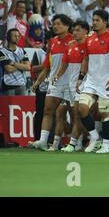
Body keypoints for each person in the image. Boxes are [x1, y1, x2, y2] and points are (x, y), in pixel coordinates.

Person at [76, 9, 109, 153]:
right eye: (93, 20)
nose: (94, 23)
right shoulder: (89, 38)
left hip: (106, 81)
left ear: (105, 22)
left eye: (97, 20)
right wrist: (80, 78)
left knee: (104, 113)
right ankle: (94, 136)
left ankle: (106, 145)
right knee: (82, 108)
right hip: (91, 81)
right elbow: (86, 59)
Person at [29, 14, 73, 150]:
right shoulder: (52, 42)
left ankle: (75, 142)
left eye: (59, 24)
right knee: (48, 111)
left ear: (67, 26)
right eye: (54, 24)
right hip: (55, 82)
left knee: (73, 114)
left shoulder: (74, 40)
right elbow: (47, 66)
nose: (56, 26)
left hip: (71, 82)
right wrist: (38, 81)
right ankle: (42, 141)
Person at [53, 20, 89, 152]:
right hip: (70, 85)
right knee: (74, 115)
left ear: (86, 31)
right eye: (74, 30)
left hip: (83, 84)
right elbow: (65, 63)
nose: (75, 33)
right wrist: (57, 75)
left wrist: (82, 79)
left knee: (79, 114)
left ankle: (75, 142)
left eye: (78, 30)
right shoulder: (70, 46)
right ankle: (82, 140)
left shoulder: (88, 45)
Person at [0, 28, 30, 95]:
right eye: (15, 36)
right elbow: (8, 69)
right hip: (8, 85)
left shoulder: (22, 51)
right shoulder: (2, 52)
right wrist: (21, 65)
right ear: (9, 37)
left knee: (22, 105)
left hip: (21, 84)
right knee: (7, 105)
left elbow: (28, 67)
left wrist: (13, 63)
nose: (17, 37)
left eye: (18, 36)